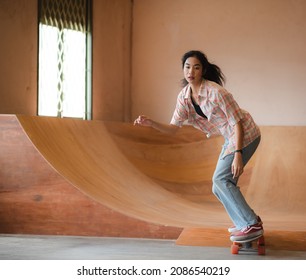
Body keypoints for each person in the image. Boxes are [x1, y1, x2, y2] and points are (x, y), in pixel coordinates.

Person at [134, 50, 263, 242]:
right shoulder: (184, 98)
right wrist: (151, 123)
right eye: (187, 67)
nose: (191, 71)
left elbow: (237, 122)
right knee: (218, 186)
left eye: (196, 67)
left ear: (202, 70)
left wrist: (237, 154)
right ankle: (245, 223)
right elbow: (173, 129)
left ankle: (250, 224)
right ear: (183, 70)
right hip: (230, 137)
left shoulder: (217, 92)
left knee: (221, 180)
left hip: (246, 133)